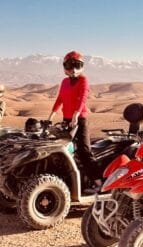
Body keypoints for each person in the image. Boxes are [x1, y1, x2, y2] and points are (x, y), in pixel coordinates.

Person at [48, 51, 101, 193]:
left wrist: (76, 115)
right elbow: (60, 99)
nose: (74, 70)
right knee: (65, 150)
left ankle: (98, 182)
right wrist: (51, 116)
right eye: (71, 66)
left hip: (80, 119)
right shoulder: (65, 82)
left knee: (84, 150)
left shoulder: (83, 80)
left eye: (77, 66)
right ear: (65, 67)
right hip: (67, 120)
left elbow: (83, 97)